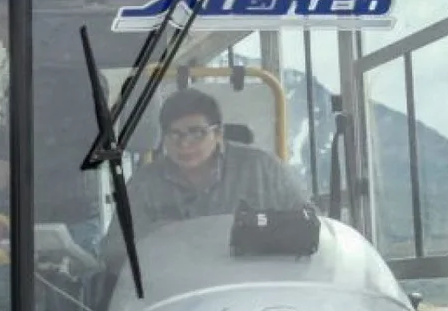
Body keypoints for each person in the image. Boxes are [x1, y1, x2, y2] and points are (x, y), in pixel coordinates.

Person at [124, 87, 310, 232]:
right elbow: (117, 252)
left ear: (219, 133)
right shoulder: (144, 184)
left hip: (254, 274)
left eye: (197, 133)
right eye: (174, 134)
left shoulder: (263, 170)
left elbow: (309, 224)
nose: (185, 144)